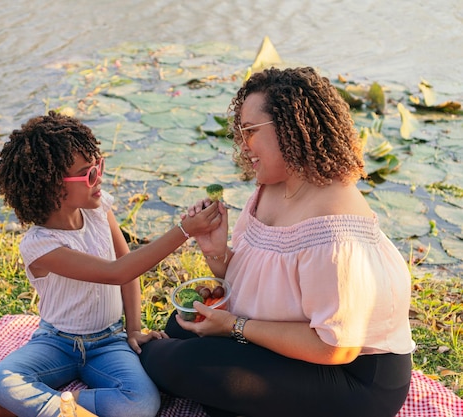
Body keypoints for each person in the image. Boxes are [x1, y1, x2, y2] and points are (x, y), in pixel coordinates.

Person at [138, 67, 416, 417]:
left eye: (251, 131)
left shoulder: (334, 230)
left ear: (291, 131)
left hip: (353, 380)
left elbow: (337, 348)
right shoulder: (274, 184)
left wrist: (234, 328)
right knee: (177, 328)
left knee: (165, 359)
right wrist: (217, 252)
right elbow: (268, 284)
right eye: (240, 131)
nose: (242, 143)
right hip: (292, 348)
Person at [0, 111, 222, 417]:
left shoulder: (98, 209)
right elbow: (116, 272)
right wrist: (185, 230)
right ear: (53, 187)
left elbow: (127, 266)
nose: (99, 178)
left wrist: (133, 329)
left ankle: (40, 409)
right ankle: (45, 407)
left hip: (108, 342)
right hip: (57, 343)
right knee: (2, 380)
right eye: (89, 174)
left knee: (142, 404)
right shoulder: (40, 245)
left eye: (99, 165)